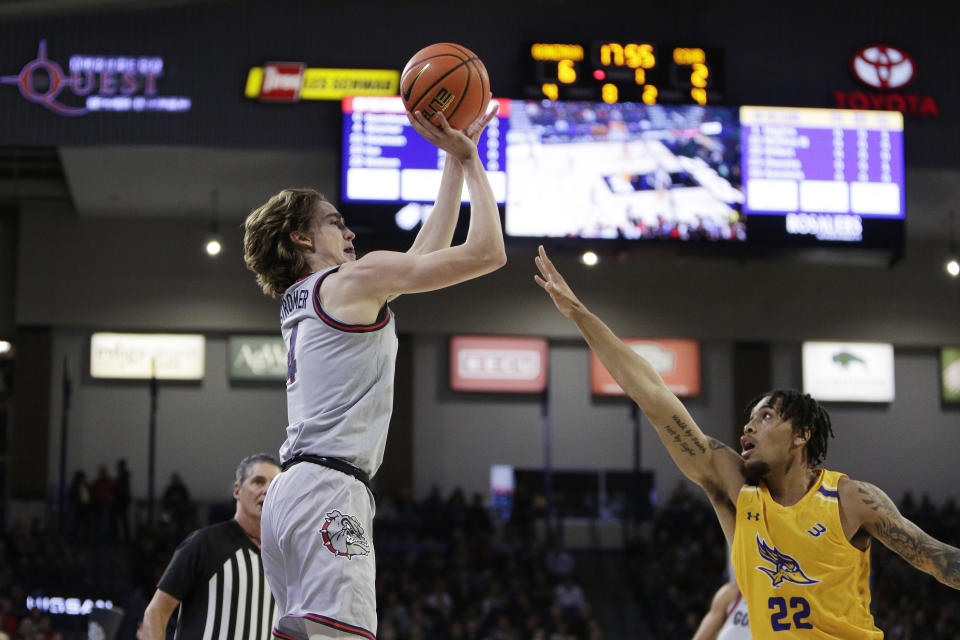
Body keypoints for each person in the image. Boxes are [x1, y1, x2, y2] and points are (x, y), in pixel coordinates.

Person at [533, 245, 960, 638]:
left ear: (802, 435)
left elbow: (938, 560)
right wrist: (578, 314)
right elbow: (655, 397)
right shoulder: (738, 489)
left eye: (766, 416)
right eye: (749, 419)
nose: (748, 429)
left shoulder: (851, 498)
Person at [243, 102, 505, 640]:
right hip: (330, 491)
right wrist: (474, 163)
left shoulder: (309, 296)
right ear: (300, 237)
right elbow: (487, 253)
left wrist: (452, 164)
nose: (350, 234)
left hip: (290, 496)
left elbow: (418, 257)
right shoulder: (349, 282)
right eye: (335, 223)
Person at [138, 454, 280, 640]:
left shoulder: (283, 558)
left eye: (275, 484)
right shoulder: (205, 543)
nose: (268, 489)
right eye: (258, 482)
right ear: (237, 490)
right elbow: (156, 613)